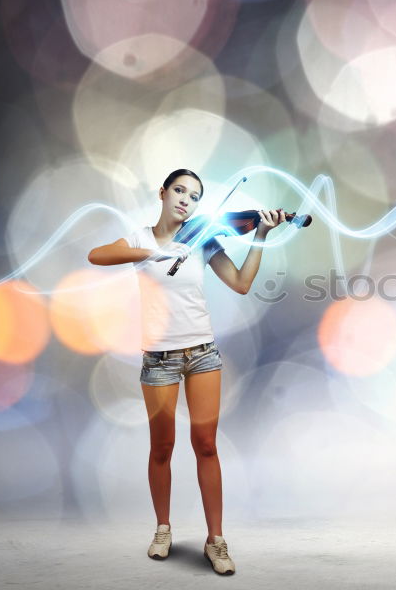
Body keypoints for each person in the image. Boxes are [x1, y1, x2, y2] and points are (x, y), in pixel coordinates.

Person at [87, 168, 284, 575]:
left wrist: (260, 236)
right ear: (162, 192)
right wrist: (153, 254)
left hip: (202, 353)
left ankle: (217, 540)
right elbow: (97, 255)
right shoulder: (142, 239)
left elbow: (243, 284)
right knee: (162, 448)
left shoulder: (203, 239)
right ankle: (163, 529)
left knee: (206, 445)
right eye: (179, 190)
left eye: (194, 197)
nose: (185, 201)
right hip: (159, 357)